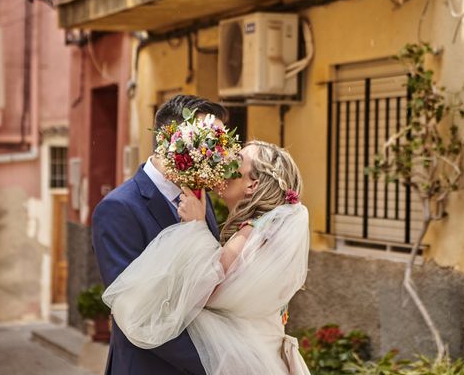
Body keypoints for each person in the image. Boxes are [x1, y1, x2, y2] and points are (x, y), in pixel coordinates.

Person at [103, 141, 311, 375]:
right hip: (259, 352)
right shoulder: (268, 231)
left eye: (236, 162)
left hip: (242, 358)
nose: (223, 164)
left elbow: (209, 290)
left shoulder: (251, 232)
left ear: (253, 184)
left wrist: (196, 227)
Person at [91, 95, 228, 375]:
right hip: (149, 366)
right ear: (171, 142)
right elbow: (136, 311)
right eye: (207, 143)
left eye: (216, 146)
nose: (214, 156)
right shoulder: (119, 208)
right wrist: (214, 361)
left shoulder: (200, 197)